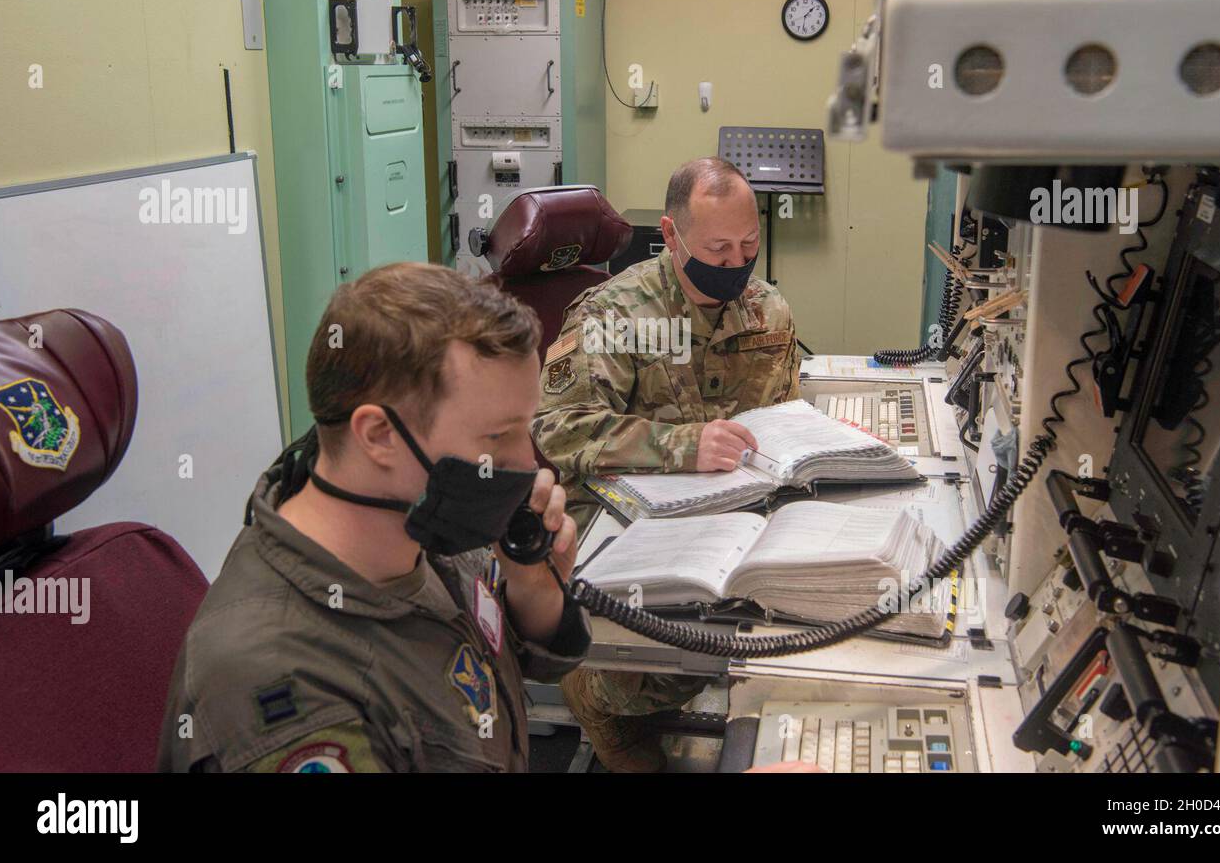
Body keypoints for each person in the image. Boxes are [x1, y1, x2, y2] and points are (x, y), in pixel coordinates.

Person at [157, 262, 589, 772]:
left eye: (526, 428)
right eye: (498, 437)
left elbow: (496, 670)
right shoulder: (277, 678)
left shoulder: (426, 522)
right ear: (380, 436)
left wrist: (534, 588)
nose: (528, 462)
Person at [531, 156, 801, 772]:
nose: (735, 264)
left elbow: (783, 420)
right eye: (717, 248)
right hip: (622, 522)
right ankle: (596, 697)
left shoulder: (769, 313)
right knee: (635, 678)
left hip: (728, 518)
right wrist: (682, 445)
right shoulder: (611, 316)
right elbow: (558, 430)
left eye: (747, 246)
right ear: (672, 236)